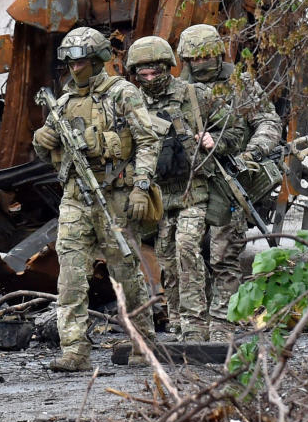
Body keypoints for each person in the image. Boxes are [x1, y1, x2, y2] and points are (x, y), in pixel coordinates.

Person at [31, 27, 160, 372]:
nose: (75, 68)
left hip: (114, 194)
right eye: (70, 62)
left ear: (99, 59)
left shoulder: (122, 94)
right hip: (74, 197)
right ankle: (74, 350)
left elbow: (148, 141)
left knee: (125, 273)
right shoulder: (61, 103)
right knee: (71, 275)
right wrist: (42, 141)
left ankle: (142, 342)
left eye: (82, 61)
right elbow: (50, 157)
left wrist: (141, 186)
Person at [126, 35, 243, 342]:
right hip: (161, 195)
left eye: (156, 73)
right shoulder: (133, 102)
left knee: (187, 248)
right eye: (144, 74)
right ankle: (177, 320)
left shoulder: (194, 94)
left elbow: (235, 128)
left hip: (194, 189)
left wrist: (214, 141)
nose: (150, 80)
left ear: (168, 67)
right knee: (166, 258)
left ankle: (195, 324)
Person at [176, 24, 282, 341]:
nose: (201, 63)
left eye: (207, 56)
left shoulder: (239, 83)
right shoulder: (177, 89)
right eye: (194, 58)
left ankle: (224, 323)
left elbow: (267, 120)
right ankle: (190, 324)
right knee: (186, 253)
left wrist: (254, 151)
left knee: (224, 254)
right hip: (190, 181)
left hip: (231, 176)